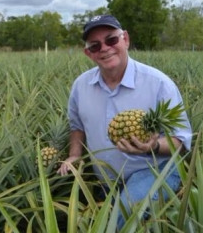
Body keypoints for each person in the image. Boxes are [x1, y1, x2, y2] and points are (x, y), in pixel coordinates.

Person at [57, 14, 192, 229]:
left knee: (122, 215)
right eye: (95, 45)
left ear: (125, 39)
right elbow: (77, 127)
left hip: (153, 171)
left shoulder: (158, 83)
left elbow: (181, 141)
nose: (105, 48)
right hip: (106, 180)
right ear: (88, 53)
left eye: (111, 40)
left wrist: (154, 145)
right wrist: (74, 155)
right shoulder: (81, 86)